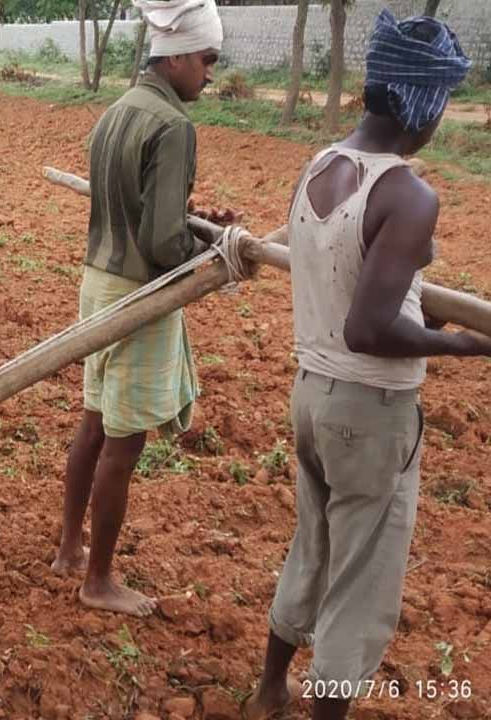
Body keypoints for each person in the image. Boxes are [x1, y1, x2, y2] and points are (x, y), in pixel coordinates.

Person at [243, 10, 485, 720]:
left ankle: (268, 692)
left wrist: (427, 317)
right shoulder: (408, 193)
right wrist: (469, 346)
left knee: (313, 546)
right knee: (362, 579)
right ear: (425, 103)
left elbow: (366, 287)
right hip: (369, 413)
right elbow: (371, 326)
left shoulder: (323, 166)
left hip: (312, 397)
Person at [51, 0, 241, 617]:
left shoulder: (118, 111)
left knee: (93, 424)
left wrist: (194, 222)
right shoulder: (174, 125)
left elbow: (138, 209)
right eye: (207, 60)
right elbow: (161, 243)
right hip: (138, 294)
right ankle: (99, 582)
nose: (210, 73)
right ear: (179, 54)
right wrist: (209, 256)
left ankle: (68, 550)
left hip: (98, 280)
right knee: (123, 442)